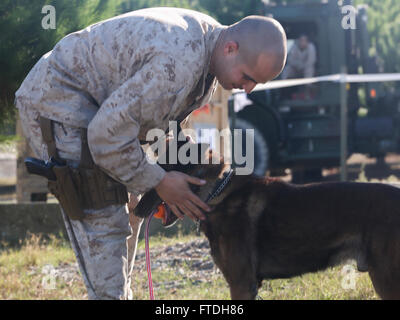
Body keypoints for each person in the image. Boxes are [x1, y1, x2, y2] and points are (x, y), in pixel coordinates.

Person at [15, 7, 287, 299]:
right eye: (248, 77)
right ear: (231, 49)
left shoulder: (211, 49)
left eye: (256, 84)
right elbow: (105, 135)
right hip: (58, 103)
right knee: (104, 217)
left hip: (98, 113)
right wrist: (159, 182)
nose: (248, 90)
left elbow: (155, 121)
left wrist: (177, 171)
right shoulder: (180, 61)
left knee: (133, 208)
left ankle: (119, 292)